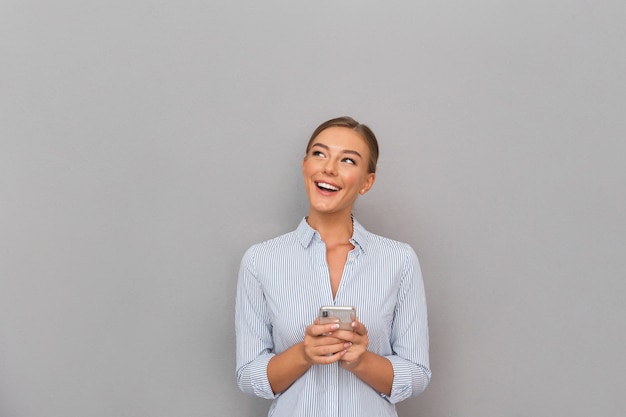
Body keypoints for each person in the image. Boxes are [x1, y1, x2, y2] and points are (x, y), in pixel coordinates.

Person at [235, 116, 431, 417]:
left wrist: (361, 361)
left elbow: (417, 373)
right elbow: (248, 375)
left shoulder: (399, 260)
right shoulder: (260, 261)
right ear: (305, 166)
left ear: (367, 181)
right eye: (319, 153)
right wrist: (304, 354)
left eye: (348, 160)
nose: (329, 168)